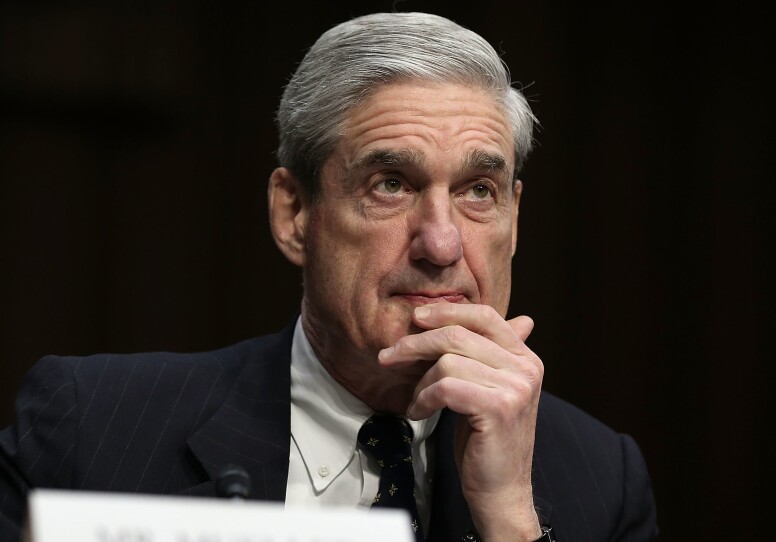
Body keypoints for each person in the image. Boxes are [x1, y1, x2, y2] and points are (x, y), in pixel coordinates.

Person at [0, 11, 658, 542]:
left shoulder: (600, 478)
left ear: (515, 217)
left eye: (478, 191)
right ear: (294, 213)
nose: (442, 242)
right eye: (391, 184)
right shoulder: (93, 429)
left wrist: (510, 520)